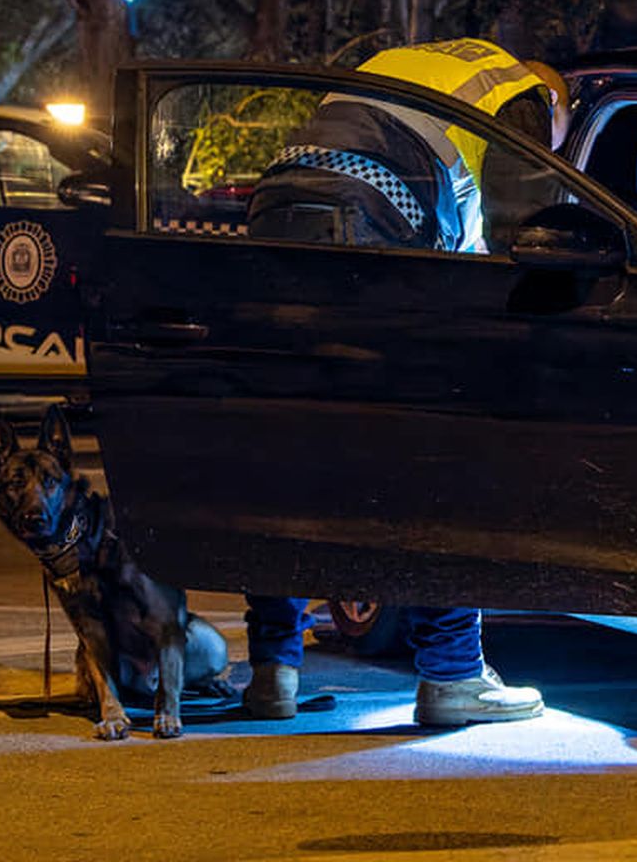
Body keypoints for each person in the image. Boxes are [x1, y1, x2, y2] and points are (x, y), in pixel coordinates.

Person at [240, 36, 570, 727]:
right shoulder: (522, 93)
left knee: (292, 451)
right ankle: (452, 677)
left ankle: (273, 672)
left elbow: (460, 234)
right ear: (555, 100)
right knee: (428, 454)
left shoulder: (429, 66)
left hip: (275, 208)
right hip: (366, 216)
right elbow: (524, 233)